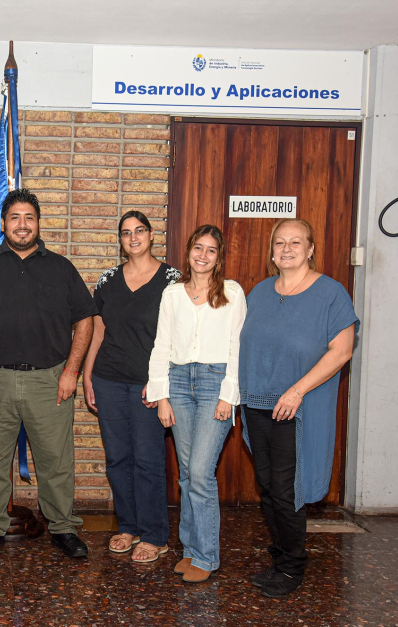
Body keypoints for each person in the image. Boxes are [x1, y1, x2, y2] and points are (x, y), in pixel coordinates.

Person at [0, 188, 98, 559]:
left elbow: (85, 320)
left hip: (49, 380)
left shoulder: (61, 267)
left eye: (29, 218)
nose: (22, 224)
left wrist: (72, 370)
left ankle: (63, 527)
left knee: (55, 460)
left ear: (38, 223)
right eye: (15, 218)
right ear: (3, 223)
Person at [239, 218, 357, 598]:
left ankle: (292, 567)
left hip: (296, 408)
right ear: (272, 251)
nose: (286, 248)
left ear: (310, 249)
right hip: (257, 405)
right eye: (280, 242)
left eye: (295, 242)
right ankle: (281, 554)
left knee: (288, 488)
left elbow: (342, 351)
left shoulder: (331, 293)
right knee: (269, 487)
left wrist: (297, 390)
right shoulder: (258, 292)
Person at [147, 224, 246, 582]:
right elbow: (161, 345)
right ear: (188, 252)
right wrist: (160, 395)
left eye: (211, 250)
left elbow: (237, 347)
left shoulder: (232, 292)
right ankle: (190, 550)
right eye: (197, 248)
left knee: (201, 474)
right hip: (177, 382)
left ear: (219, 258)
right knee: (188, 475)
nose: (203, 255)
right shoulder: (172, 294)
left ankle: (206, 556)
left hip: (213, 383)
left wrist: (228, 395)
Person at [82, 210, 181, 564]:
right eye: (126, 233)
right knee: (117, 458)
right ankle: (128, 527)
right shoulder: (108, 279)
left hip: (148, 384)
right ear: (120, 240)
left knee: (148, 459)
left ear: (152, 235)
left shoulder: (173, 279)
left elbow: (178, 339)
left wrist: (162, 384)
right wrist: (87, 375)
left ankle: (155, 535)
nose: (133, 237)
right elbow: (99, 331)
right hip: (108, 379)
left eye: (140, 231)